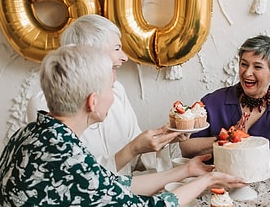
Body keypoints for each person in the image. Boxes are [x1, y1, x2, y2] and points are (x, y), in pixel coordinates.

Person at [0, 45, 246, 207]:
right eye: (110, 89)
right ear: (92, 101)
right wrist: (206, 182)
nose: (113, 97)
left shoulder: (34, 134)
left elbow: (114, 186)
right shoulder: (66, 156)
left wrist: (187, 171)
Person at [27, 14, 182, 176]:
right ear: (89, 55)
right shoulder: (44, 105)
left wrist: (167, 139)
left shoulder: (117, 90)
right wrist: (132, 149)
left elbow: (138, 157)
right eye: (116, 49)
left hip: (124, 192)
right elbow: (73, 177)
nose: (125, 57)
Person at [179, 34, 270, 158]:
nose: (247, 73)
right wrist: (225, 139)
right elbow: (187, 149)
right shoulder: (213, 102)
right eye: (244, 64)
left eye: (257, 67)